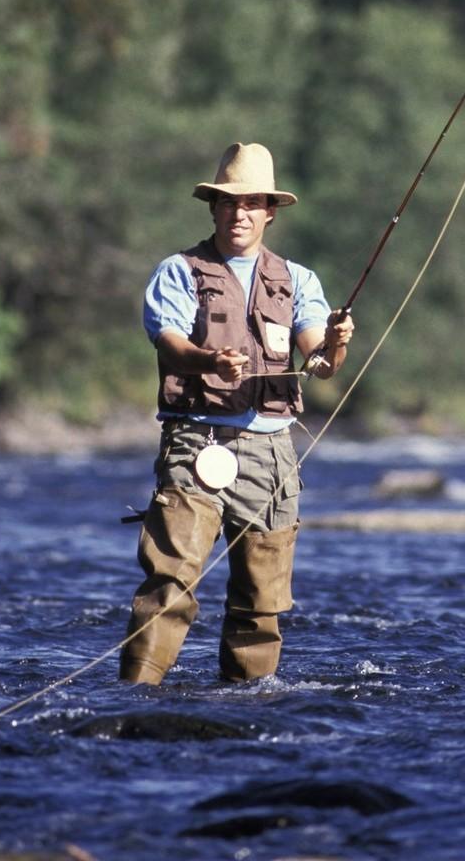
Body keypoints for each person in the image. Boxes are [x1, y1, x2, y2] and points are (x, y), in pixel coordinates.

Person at [119, 142, 354, 686]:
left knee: (261, 601)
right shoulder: (179, 272)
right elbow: (170, 342)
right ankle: (135, 700)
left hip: (272, 455)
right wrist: (208, 362)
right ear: (213, 208)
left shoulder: (299, 281)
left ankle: (248, 711)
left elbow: (318, 361)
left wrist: (337, 343)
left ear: (270, 212)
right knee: (169, 582)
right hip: (195, 444)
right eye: (229, 203)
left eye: (252, 204)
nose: (240, 213)